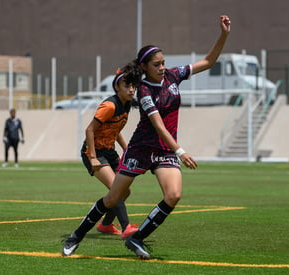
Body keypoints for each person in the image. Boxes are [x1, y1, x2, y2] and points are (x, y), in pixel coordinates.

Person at [62, 15, 231, 259]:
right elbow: (158, 125)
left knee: (173, 195)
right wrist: (181, 152)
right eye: (156, 64)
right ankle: (75, 236)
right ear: (144, 67)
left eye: (163, 63)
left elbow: (208, 61)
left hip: (163, 151)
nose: (162, 67)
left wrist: (224, 35)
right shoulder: (142, 91)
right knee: (113, 198)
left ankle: (136, 238)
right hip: (141, 149)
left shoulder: (174, 76)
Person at [79, 62, 142, 240]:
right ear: (117, 87)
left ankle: (105, 224)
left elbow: (116, 130)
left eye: (133, 86)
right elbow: (89, 130)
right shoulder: (110, 106)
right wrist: (92, 157)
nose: (131, 90)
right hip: (94, 152)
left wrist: (127, 149)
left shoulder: (127, 104)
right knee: (116, 187)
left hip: (109, 151)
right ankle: (126, 227)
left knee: (125, 191)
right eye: (127, 86)